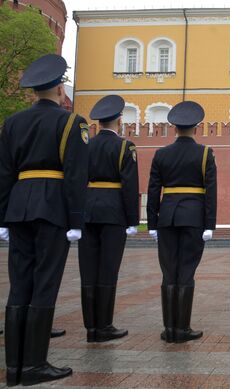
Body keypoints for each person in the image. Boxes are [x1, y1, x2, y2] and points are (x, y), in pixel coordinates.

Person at [0, 54, 89, 386]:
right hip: (52, 208)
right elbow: (76, 175)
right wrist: (76, 221)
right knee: (45, 285)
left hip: (19, 207)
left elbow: (5, 172)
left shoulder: (13, 122)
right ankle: (35, 365)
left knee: (19, 286)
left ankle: (14, 368)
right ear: (59, 88)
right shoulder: (71, 123)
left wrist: (3, 217)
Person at [147, 101, 217, 344]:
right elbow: (211, 191)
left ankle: (169, 329)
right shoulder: (205, 154)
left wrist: (153, 224)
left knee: (168, 272)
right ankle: (182, 329)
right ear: (196, 128)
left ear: (174, 128)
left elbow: (153, 190)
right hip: (194, 218)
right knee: (186, 272)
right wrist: (210, 225)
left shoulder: (161, 154)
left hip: (167, 218)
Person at [79, 95, 139, 343]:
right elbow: (129, 185)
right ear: (119, 120)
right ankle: (104, 325)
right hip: (113, 211)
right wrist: (132, 219)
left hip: (87, 210)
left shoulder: (86, 145)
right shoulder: (125, 147)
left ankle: (90, 327)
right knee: (108, 269)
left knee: (88, 269)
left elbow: (76, 179)